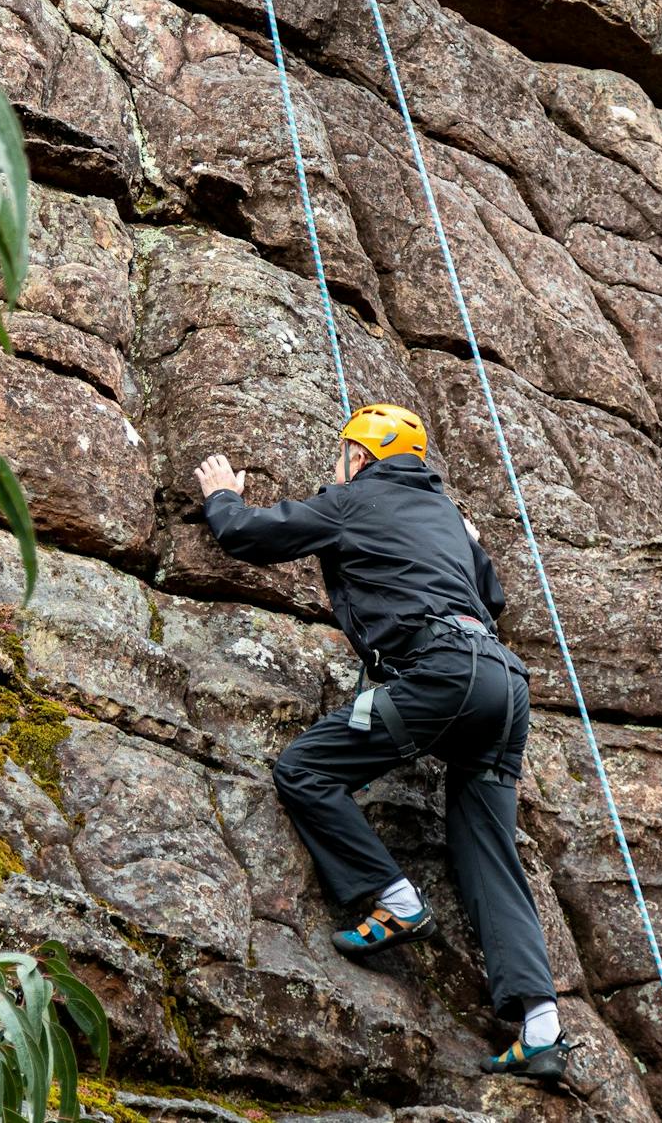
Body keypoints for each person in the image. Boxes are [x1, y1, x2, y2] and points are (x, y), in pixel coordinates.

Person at [193, 404, 572, 1083]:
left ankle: (392, 899)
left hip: (441, 673)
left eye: (342, 457)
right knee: (487, 851)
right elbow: (495, 594)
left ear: (361, 457)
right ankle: (540, 1026)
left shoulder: (354, 498)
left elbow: (250, 536)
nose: (335, 469)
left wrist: (223, 495)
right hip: (505, 689)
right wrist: (472, 543)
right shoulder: (448, 516)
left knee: (305, 768)